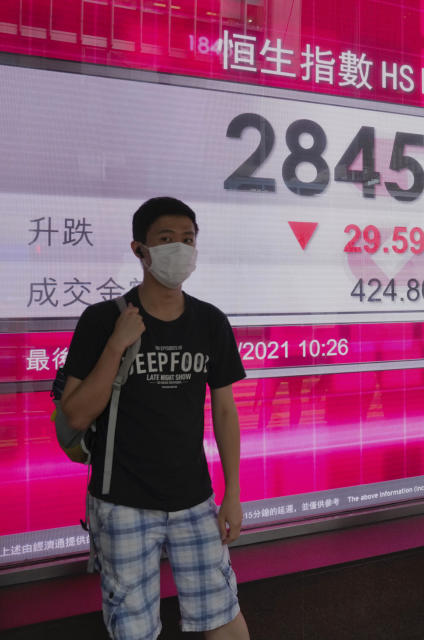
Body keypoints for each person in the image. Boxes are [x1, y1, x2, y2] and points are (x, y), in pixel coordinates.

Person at [60, 197, 250, 640]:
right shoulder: (102, 319)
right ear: (139, 250)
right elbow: (75, 411)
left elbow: (224, 409)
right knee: (133, 629)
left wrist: (234, 493)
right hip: (120, 501)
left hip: (194, 499)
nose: (180, 249)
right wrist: (116, 345)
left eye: (188, 239)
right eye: (166, 239)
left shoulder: (209, 321)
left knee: (222, 612)